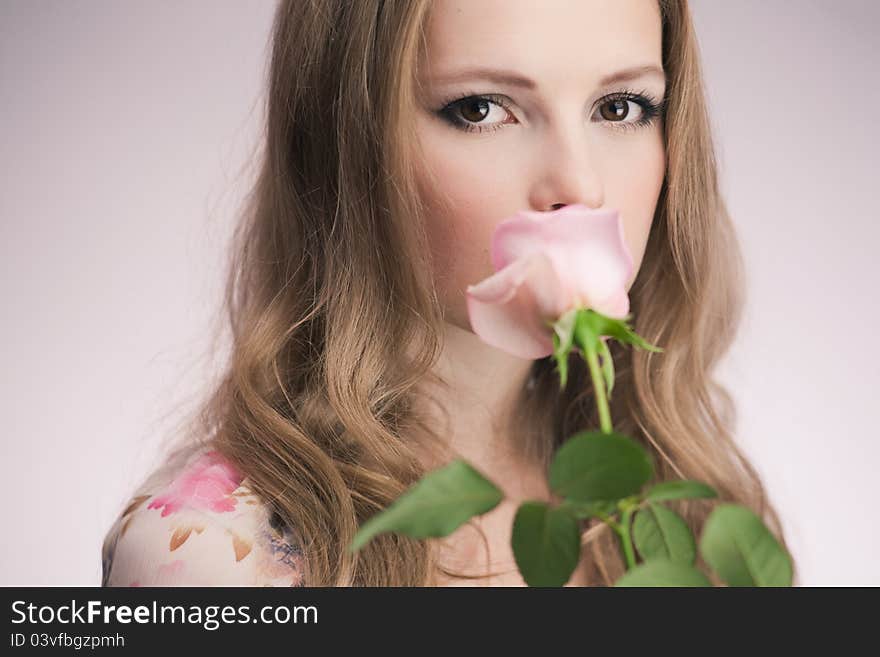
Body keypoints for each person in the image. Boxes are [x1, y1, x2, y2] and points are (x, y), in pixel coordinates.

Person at [101, 0, 796, 587]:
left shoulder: (698, 520)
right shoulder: (212, 557)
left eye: (621, 106)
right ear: (347, 142)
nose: (579, 186)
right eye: (481, 108)